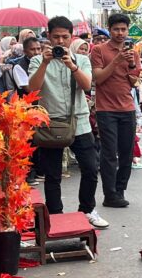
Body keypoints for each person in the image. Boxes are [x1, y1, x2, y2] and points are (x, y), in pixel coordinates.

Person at [27, 17, 106, 228]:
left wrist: (72, 65)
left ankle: (87, 209)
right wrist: (44, 63)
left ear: (71, 37)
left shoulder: (81, 59)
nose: (60, 41)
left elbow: (87, 85)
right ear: (48, 37)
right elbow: (32, 90)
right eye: (56, 37)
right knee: (52, 174)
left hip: (79, 122)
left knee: (90, 168)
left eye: (65, 37)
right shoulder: (37, 60)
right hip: (50, 125)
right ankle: (55, 215)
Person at [90, 13, 141, 208]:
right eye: (116, 29)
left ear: (128, 31)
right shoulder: (99, 50)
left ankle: (120, 190)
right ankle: (109, 194)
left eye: (123, 29)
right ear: (109, 30)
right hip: (106, 109)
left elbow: (133, 81)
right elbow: (99, 78)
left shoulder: (133, 53)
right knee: (109, 154)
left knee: (127, 153)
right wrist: (117, 60)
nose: (120, 33)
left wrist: (129, 64)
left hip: (127, 107)